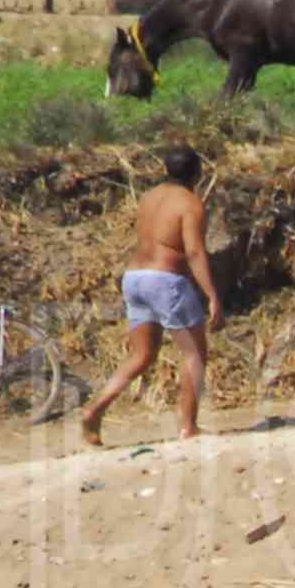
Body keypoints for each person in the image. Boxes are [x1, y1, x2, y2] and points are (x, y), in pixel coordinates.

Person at [71, 143, 225, 448]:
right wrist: (212, 295)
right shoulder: (191, 203)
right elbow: (194, 251)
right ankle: (188, 427)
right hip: (165, 281)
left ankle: (94, 409)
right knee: (194, 352)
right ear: (197, 172)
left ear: (166, 169)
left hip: (134, 279)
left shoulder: (148, 198)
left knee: (141, 355)